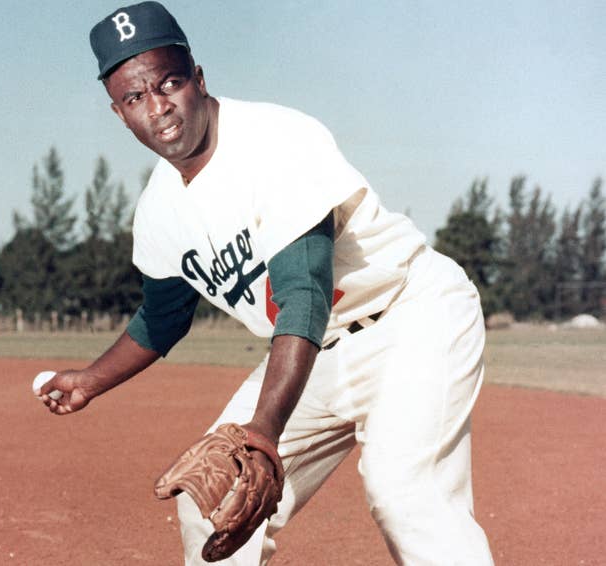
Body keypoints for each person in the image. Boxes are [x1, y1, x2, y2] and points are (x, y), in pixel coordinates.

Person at [37, 3, 494, 564]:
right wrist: (90, 380)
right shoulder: (158, 212)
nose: (158, 107)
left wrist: (263, 431)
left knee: (407, 495)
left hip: (410, 318)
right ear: (119, 113)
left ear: (198, 80)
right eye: (136, 97)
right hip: (315, 354)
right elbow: (163, 317)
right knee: (208, 503)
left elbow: (304, 291)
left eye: (169, 83)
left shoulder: (274, 140)